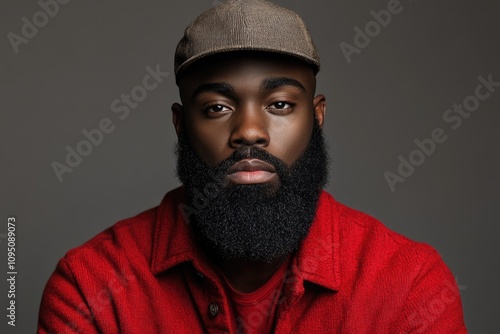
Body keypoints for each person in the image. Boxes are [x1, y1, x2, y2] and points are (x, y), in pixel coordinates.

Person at [38, 1, 467, 333]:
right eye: (217, 107)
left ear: (316, 116)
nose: (248, 131)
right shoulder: (90, 288)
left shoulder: (409, 284)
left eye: (279, 104)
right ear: (180, 124)